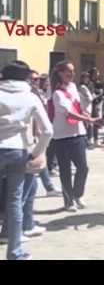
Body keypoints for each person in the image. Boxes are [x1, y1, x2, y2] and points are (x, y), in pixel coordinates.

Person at [0, 61, 53, 260]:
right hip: (18, 151)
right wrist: (35, 153)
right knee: (14, 201)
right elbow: (48, 130)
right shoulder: (30, 97)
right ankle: (14, 252)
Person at [50, 60, 103, 212]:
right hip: (62, 136)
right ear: (60, 73)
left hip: (78, 133)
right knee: (65, 170)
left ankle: (78, 194)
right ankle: (68, 201)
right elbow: (68, 112)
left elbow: (77, 107)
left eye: (73, 71)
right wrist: (90, 120)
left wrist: (86, 114)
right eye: (68, 71)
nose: (72, 74)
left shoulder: (73, 87)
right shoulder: (57, 93)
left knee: (83, 168)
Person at [29, 71, 62, 196]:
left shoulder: (40, 92)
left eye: (38, 79)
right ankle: (48, 187)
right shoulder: (30, 94)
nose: (36, 81)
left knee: (40, 160)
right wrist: (37, 130)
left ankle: (49, 187)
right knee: (37, 161)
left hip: (41, 129)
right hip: (32, 132)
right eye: (34, 79)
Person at [88, 67, 104, 148]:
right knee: (93, 121)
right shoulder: (90, 83)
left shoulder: (98, 82)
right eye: (95, 73)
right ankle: (90, 140)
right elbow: (92, 93)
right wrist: (99, 93)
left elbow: (103, 90)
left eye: (97, 73)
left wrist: (100, 92)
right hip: (92, 103)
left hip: (98, 103)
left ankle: (96, 140)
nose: (97, 74)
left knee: (97, 122)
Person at [78, 72, 94, 149]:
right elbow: (90, 98)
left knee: (87, 125)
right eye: (85, 78)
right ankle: (87, 142)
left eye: (87, 78)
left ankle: (87, 141)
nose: (87, 79)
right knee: (87, 125)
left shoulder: (83, 87)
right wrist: (92, 96)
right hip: (85, 108)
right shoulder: (83, 87)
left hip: (85, 107)